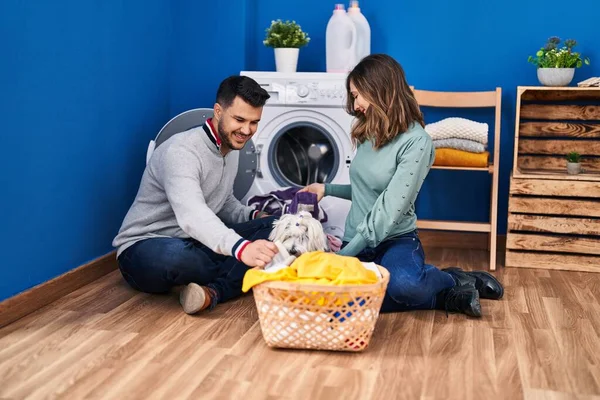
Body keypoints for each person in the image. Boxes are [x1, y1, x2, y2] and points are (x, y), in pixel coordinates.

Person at [301, 54, 503, 317]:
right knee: (346, 300)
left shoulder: (417, 142)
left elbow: (391, 205)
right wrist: (326, 189)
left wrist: (341, 257)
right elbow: (369, 191)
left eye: (357, 95)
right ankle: (446, 297)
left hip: (396, 239)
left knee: (404, 285)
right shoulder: (367, 133)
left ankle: (453, 279)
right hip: (357, 238)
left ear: (379, 90)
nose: (355, 104)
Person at [113, 75, 279, 315]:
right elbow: (193, 215)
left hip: (194, 241)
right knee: (182, 258)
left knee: (277, 225)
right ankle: (241, 273)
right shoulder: (181, 151)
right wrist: (242, 249)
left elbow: (223, 202)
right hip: (145, 247)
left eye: (254, 122)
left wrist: (254, 215)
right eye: (240, 119)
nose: (246, 130)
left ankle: (212, 292)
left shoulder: (231, 147)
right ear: (219, 111)